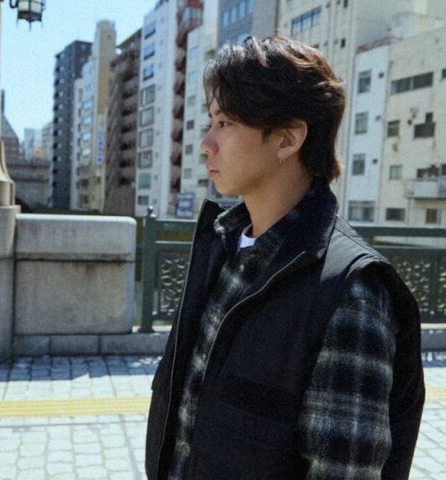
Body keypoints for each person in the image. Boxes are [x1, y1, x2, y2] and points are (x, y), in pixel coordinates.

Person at [145, 35, 425, 480]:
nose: (206, 143)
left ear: (287, 140)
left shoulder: (349, 293)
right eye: (211, 122)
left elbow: (344, 469)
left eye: (225, 123)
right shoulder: (222, 244)